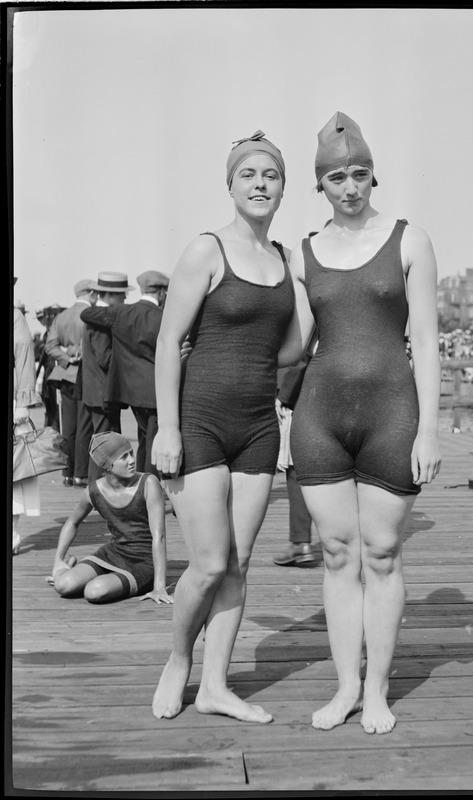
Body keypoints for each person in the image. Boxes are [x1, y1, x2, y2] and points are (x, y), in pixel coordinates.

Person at [289, 112, 442, 735]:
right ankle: (345, 686)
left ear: (373, 176)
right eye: (335, 178)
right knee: (335, 553)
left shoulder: (410, 240)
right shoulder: (302, 253)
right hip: (319, 417)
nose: (348, 187)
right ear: (319, 185)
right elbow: (293, 345)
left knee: (381, 554)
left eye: (358, 174)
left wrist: (429, 429)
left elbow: (428, 343)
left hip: (391, 416)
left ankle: (377, 689)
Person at [151, 129, 301, 722]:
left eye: (271, 175)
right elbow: (168, 340)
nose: (260, 184)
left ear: (284, 187)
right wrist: (167, 429)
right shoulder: (206, 250)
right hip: (201, 423)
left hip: (259, 428)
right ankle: (179, 661)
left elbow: (288, 350)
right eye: (249, 175)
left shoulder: (284, 260)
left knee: (238, 562)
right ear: (231, 184)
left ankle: (216, 686)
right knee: (209, 563)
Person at [51, 432, 173, 605]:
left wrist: (159, 586)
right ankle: (70, 568)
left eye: (131, 453)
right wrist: (58, 559)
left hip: (144, 562)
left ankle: (108, 579)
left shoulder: (148, 483)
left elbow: (159, 536)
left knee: (94, 592)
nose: (132, 460)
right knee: (63, 585)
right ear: (107, 465)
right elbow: (72, 522)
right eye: (124, 457)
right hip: (113, 552)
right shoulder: (94, 491)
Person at [80, 270, 170, 473]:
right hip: (155, 391)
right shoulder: (163, 317)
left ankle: (140, 483)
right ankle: (149, 488)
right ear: (162, 292)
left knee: (144, 437)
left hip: (131, 391)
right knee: (153, 442)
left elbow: (86, 313)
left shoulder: (123, 312)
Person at [82, 272, 133, 480]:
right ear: (111, 295)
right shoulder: (102, 321)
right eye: (122, 295)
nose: (125, 299)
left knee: (103, 441)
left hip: (96, 391)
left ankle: (99, 488)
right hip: (104, 392)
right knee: (105, 444)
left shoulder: (95, 317)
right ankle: (98, 490)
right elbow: (106, 358)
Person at [46, 280, 96, 487]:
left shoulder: (61, 316)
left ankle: (67, 472)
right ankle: (81, 474)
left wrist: (67, 357)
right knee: (85, 426)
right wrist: (79, 353)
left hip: (65, 375)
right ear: (91, 293)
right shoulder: (90, 315)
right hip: (85, 375)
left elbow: (50, 346)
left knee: (68, 426)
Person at [273, 356, 320, 567]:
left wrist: (284, 394)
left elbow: (302, 355)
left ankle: (300, 542)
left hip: (299, 391)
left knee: (296, 470)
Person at [13, 281, 42, 555]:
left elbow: (23, 355)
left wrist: (23, 403)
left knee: (15, 468)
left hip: (11, 401)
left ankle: (11, 533)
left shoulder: (14, 315)